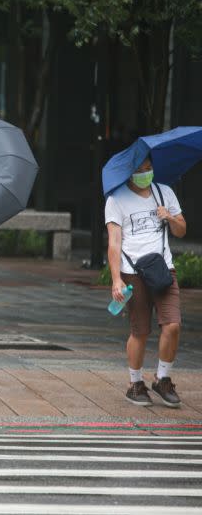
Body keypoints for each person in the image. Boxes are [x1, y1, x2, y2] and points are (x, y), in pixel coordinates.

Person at [106, 156, 186, 407]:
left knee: (172, 324)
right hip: (132, 272)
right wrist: (116, 279)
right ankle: (135, 383)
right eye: (140, 170)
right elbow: (114, 242)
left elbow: (182, 229)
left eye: (149, 168)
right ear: (129, 173)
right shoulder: (116, 199)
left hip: (163, 269)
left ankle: (162, 378)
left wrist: (170, 218)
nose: (145, 173)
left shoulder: (165, 193)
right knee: (140, 331)